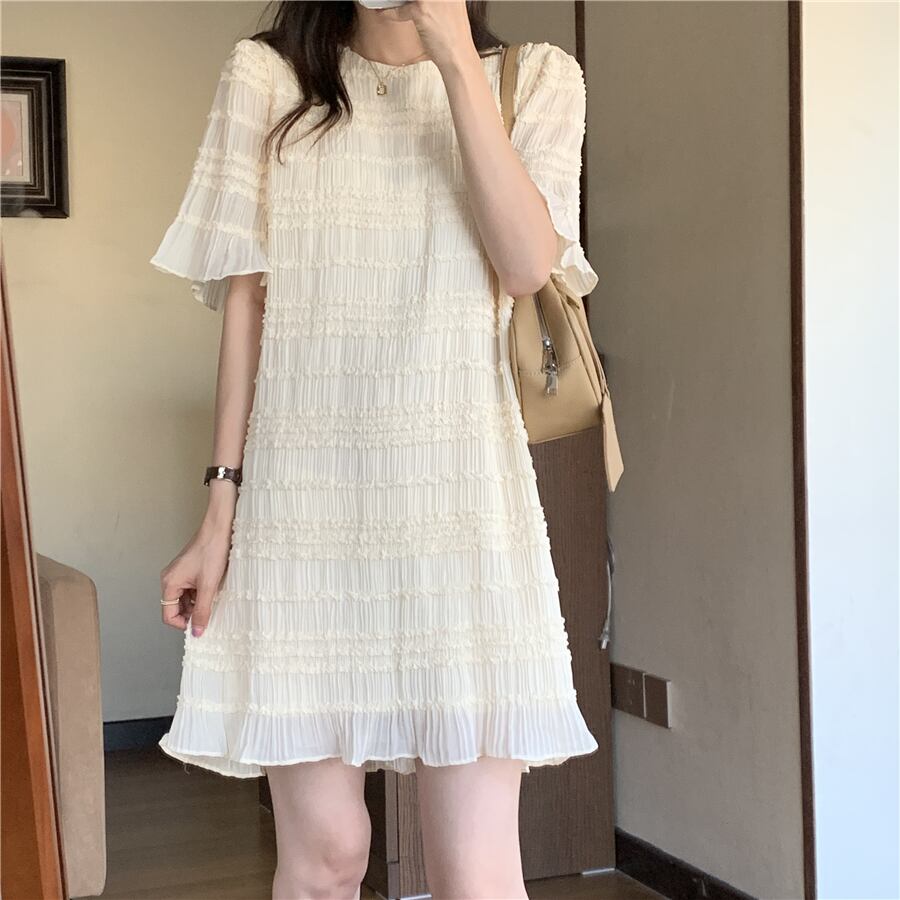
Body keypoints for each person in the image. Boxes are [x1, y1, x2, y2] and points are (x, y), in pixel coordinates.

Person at [149, 1, 600, 897]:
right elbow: (246, 306)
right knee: (325, 859)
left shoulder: (539, 79)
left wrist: (455, 57)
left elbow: (525, 266)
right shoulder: (265, 78)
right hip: (303, 518)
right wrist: (219, 514)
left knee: (476, 873)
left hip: (461, 512)